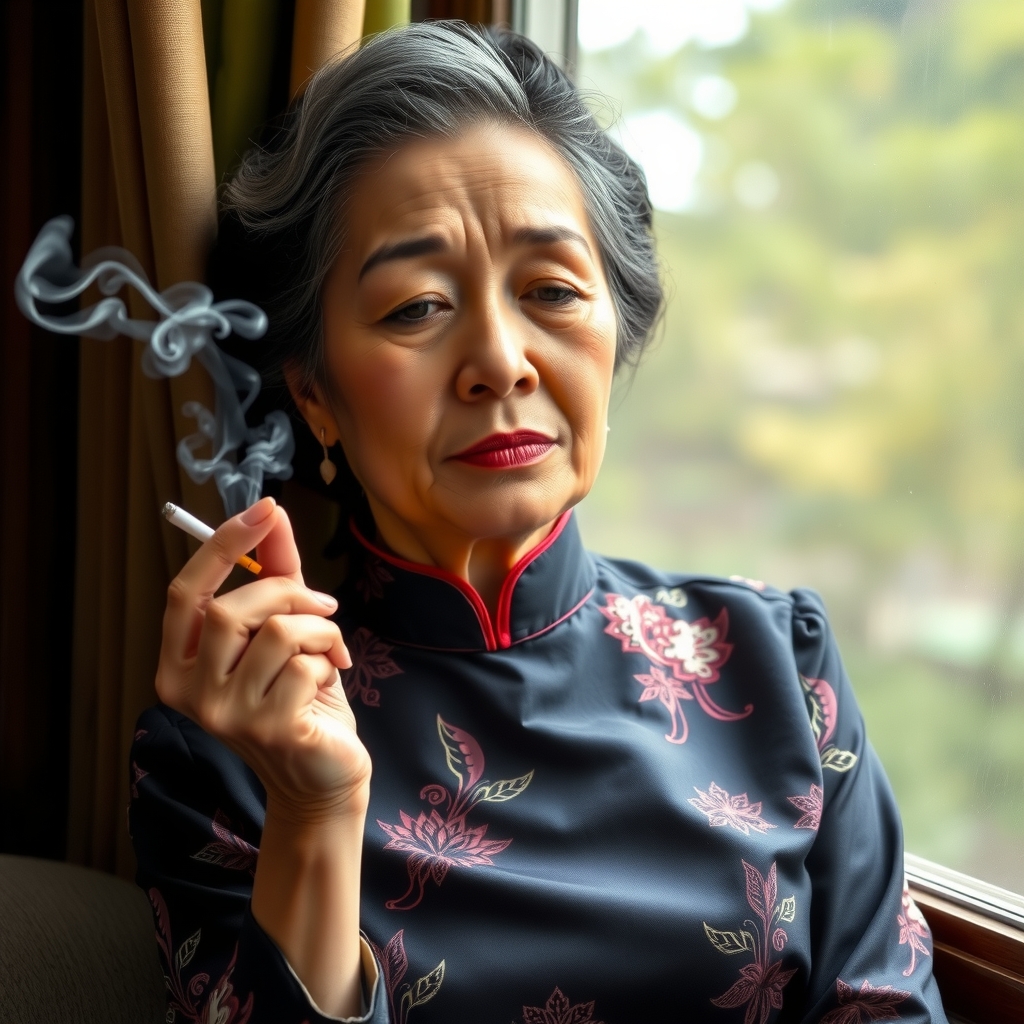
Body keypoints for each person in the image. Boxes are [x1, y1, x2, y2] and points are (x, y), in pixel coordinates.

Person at [129, 21, 948, 1024]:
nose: (500, 361)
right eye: (416, 307)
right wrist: (315, 805)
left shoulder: (778, 665)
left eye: (552, 290)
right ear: (315, 396)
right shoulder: (230, 733)